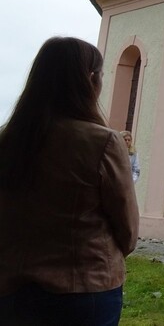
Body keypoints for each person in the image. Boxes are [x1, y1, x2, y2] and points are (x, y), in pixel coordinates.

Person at [0, 37, 140, 325]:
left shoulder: (7, 140)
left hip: (12, 288)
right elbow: (127, 230)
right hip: (84, 290)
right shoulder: (103, 142)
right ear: (91, 80)